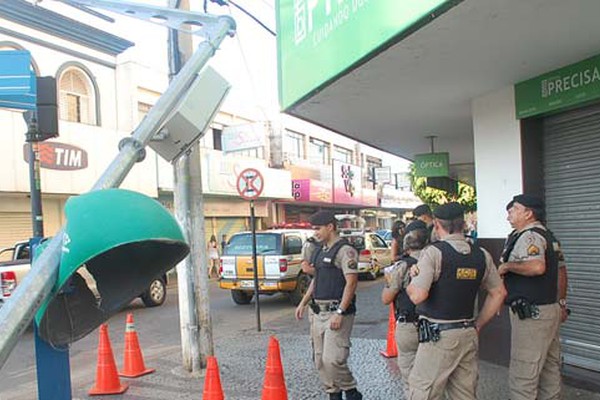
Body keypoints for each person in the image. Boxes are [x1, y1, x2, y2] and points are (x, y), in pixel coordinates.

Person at [406, 202, 507, 400]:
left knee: (421, 391)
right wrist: (477, 324)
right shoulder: (482, 255)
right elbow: (499, 293)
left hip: (438, 336)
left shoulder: (434, 253)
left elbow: (418, 296)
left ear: (436, 224)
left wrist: (411, 282)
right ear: (463, 224)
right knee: (464, 394)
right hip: (467, 333)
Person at [498, 194, 569, 400]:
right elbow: (562, 273)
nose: (509, 214)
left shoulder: (530, 237)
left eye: (514, 210)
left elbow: (537, 267)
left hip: (532, 316)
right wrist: (562, 303)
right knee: (549, 370)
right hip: (549, 310)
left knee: (523, 375)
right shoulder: (550, 236)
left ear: (529, 213)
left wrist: (506, 266)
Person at [295, 210, 363, 400]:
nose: (315, 232)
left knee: (332, 359)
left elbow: (351, 282)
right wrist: (303, 302)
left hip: (337, 312)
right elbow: (317, 279)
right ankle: (333, 393)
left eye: (318, 228)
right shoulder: (319, 250)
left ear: (330, 227)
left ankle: (351, 390)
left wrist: (340, 312)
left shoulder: (345, 251)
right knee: (319, 361)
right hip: (318, 313)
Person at [381, 225, 428, 383]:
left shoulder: (402, 267)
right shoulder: (435, 261)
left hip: (409, 324)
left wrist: (388, 282)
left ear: (406, 247)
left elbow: (386, 298)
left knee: (409, 373)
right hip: (435, 324)